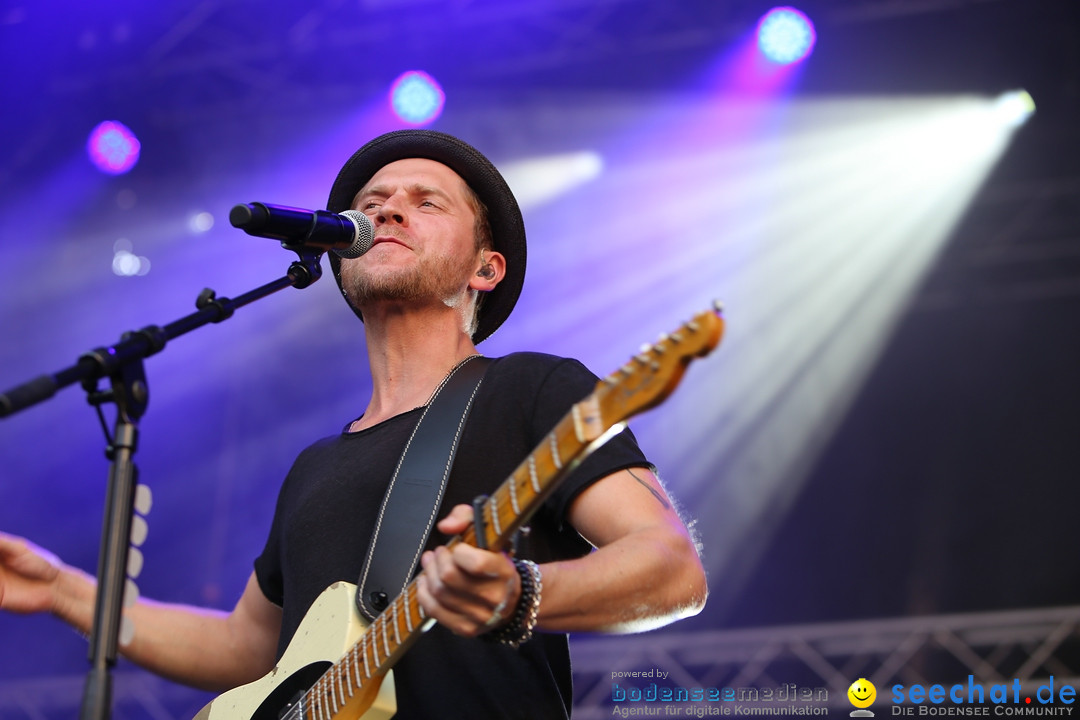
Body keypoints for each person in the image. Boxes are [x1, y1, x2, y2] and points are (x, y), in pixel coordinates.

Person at [0, 130, 707, 718]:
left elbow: (672, 568)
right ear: (340, 262)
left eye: (425, 202)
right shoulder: (315, 465)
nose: (390, 210)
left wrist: (523, 592)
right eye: (373, 204)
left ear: (485, 269)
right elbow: (244, 650)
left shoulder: (530, 388)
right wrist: (63, 589)